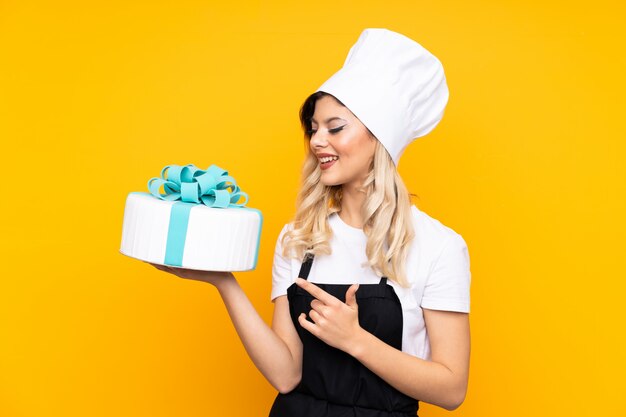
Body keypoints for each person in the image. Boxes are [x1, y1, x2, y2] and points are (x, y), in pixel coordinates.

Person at [150, 28, 471, 417]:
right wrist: (224, 282)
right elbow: (287, 376)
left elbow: (451, 388)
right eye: (313, 129)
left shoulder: (437, 245)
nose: (318, 140)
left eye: (335, 128)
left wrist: (354, 339)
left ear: (379, 140)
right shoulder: (299, 239)